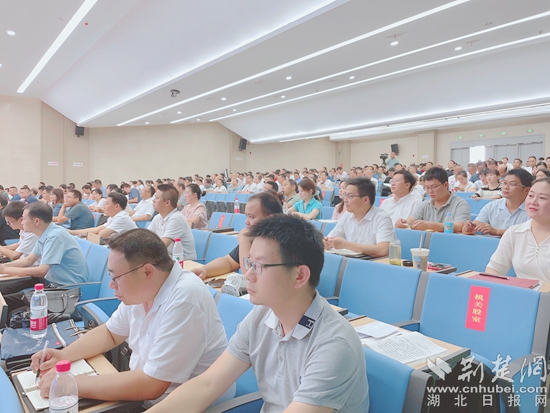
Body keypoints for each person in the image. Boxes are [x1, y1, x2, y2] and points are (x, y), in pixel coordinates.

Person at [149, 214, 369, 413]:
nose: (248, 275)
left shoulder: (334, 345)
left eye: (259, 266)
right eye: (249, 263)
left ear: (300, 276)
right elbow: (208, 384)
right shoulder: (261, 316)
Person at [32, 229, 231, 407]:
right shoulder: (143, 289)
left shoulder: (185, 298)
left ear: (147, 271)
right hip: (148, 396)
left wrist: (69, 384)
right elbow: (110, 333)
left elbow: (153, 384)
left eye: (115, 277)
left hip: (189, 405)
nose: (111, 285)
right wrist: (63, 355)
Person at [0, 202, 89, 312]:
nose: (22, 222)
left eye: (24, 219)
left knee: (12, 311)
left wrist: (5, 269)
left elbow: (42, 271)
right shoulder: (45, 233)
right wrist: (4, 267)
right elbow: (28, 260)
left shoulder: (55, 236)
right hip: (52, 284)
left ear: (36, 221)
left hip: (66, 291)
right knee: (5, 298)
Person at [191, 192, 282, 280]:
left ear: (270, 219)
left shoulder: (280, 243)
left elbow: (252, 277)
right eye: (246, 216)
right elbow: (229, 262)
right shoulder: (256, 237)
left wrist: (244, 241)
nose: (246, 222)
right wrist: (205, 270)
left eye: (251, 217)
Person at [485, 177, 550, 283]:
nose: (533, 202)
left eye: (542, 198)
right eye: (531, 195)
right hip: (521, 291)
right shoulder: (514, 232)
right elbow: (494, 268)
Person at [325, 178, 395, 257]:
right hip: (353, 260)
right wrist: (327, 242)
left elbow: (383, 250)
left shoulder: (382, 218)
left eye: (350, 196)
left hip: (375, 262)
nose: (345, 200)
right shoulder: (347, 215)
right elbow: (331, 238)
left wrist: (346, 244)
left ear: (365, 199)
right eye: (345, 195)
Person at [396, 167, 470, 233]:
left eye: (434, 187)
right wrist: (404, 223)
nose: (430, 191)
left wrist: (430, 225)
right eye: (427, 187)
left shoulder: (460, 204)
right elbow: (411, 220)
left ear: (446, 185)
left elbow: (459, 226)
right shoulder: (425, 205)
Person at [462, 169, 531, 237]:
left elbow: (530, 235)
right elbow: (474, 226)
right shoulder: (492, 206)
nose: (506, 187)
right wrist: (469, 228)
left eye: (512, 184)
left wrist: (497, 232)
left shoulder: (532, 210)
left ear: (526, 190)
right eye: (505, 183)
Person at [148, 184, 196, 259]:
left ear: (167, 203)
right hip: (167, 259)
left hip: (183, 262)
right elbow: (145, 237)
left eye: (157, 198)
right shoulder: (158, 217)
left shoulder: (176, 219)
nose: (153, 200)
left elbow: (161, 246)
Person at [70, 192, 137, 238]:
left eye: (106, 204)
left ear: (116, 206)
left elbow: (101, 234)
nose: (103, 207)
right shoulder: (113, 217)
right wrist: (70, 232)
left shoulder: (122, 218)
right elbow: (96, 230)